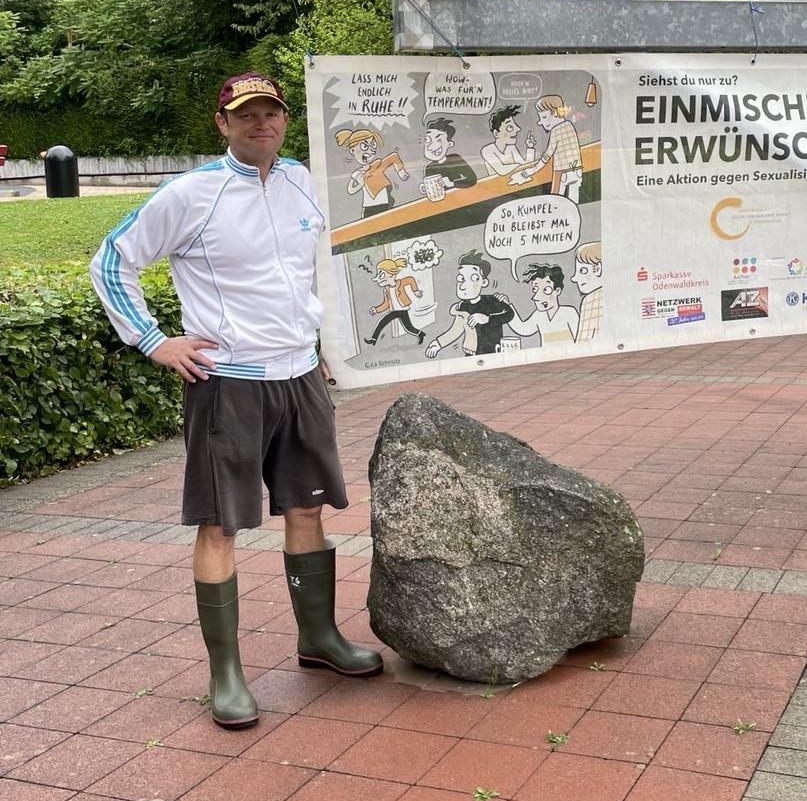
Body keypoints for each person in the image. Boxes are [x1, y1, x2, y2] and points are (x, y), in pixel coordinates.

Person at [89, 72, 382, 730]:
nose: (261, 123)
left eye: (271, 112)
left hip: (300, 376)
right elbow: (112, 259)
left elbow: (322, 266)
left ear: (284, 119)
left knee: (306, 508)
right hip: (228, 383)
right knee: (220, 522)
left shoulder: (304, 181)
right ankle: (226, 673)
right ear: (222, 123)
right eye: (246, 114)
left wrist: (328, 338)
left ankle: (319, 638)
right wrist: (153, 340)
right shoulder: (192, 194)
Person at [424, 249, 515, 357]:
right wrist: (437, 344)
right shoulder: (463, 307)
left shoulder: (492, 300)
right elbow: (456, 330)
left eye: (474, 278)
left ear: (484, 282)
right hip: (471, 354)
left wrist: (488, 319)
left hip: (494, 351)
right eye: (461, 278)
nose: (464, 285)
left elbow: (509, 314)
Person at [509, 94, 583, 201]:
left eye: (544, 117)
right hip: (576, 170)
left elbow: (547, 155)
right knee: (574, 200)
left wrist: (531, 170)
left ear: (555, 113)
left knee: (556, 201)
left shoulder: (556, 131)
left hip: (561, 172)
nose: (540, 122)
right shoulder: (569, 126)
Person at [338, 127, 409, 218]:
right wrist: (360, 184)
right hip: (368, 207)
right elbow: (350, 190)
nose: (370, 150)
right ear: (352, 151)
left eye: (373, 146)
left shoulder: (378, 165)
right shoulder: (358, 173)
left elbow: (394, 157)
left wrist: (400, 171)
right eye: (364, 146)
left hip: (384, 204)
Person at [503, 262, 579, 346]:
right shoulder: (539, 315)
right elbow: (523, 329)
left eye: (546, 290)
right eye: (535, 289)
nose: (536, 297)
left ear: (557, 291)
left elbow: (580, 339)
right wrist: (507, 306)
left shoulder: (569, 313)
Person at [364, 255, 424, 346]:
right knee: (382, 322)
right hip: (394, 311)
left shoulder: (400, 282)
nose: (379, 278)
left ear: (391, 274)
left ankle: (420, 334)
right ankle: (373, 339)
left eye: (382, 274)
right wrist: (376, 309)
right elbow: (386, 304)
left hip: (402, 310)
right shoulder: (386, 289)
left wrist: (415, 291)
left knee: (408, 328)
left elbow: (411, 280)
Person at [421, 117, 477, 197]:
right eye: (427, 140)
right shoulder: (429, 167)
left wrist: (452, 183)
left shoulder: (454, 159)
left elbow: (472, 179)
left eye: (439, 140)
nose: (430, 146)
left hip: (461, 198)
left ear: (449, 144)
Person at [480, 104, 534, 177]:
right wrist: (518, 165)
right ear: (496, 133)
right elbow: (501, 170)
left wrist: (530, 148)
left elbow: (525, 166)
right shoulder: (487, 150)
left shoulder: (511, 148)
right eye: (510, 127)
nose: (518, 129)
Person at [572, 240, 603, 341]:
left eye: (583, 271)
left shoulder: (591, 300)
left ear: (598, 269)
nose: (574, 278)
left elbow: (583, 341)